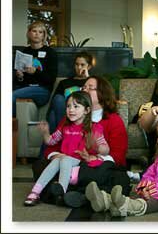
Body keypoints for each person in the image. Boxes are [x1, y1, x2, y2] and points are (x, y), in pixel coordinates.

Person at [32, 75, 129, 207]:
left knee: (118, 178)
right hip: (66, 164)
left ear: (102, 93)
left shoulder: (114, 120)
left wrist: (92, 158)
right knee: (40, 166)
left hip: (92, 167)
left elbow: (118, 155)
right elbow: (52, 145)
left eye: (90, 88)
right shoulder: (69, 118)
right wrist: (58, 156)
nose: (85, 89)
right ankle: (80, 197)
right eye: (84, 87)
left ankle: (71, 196)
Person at [84, 111, 158, 217]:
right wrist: (145, 187)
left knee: (157, 202)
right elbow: (151, 173)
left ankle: (129, 207)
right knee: (138, 196)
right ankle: (106, 201)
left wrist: (153, 190)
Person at [24, 91, 110, 206]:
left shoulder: (94, 128)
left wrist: (98, 147)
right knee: (58, 160)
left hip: (82, 162)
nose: (71, 110)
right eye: (68, 106)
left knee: (64, 159)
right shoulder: (65, 126)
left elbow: (106, 150)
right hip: (65, 162)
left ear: (87, 110)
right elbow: (51, 141)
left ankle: (61, 192)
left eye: (76, 106)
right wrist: (45, 133)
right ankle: (35, 192)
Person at [12, 21, 57, 117]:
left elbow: (51, 79)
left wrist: (35, 72)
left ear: (44, 35)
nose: (37, 34)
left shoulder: (50, 52)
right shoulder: (25, 51)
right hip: (24, 88)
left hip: (42, 90)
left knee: (11, 96)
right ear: (29, 33)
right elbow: (19, 80)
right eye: (34, 31)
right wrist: (20, 76)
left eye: (40, 32)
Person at [47, 51, 93, 133]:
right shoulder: (64, 83)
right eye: (76, 64)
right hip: (66, 114)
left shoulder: (92, 82)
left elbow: (96, 98)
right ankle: (64, 132)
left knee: (52, 117)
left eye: (82, 65)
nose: (79, 67)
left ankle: (59, 136)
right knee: (56, 103)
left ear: (88, 66)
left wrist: (87, 78)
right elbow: (55, 103)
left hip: (83, 114)